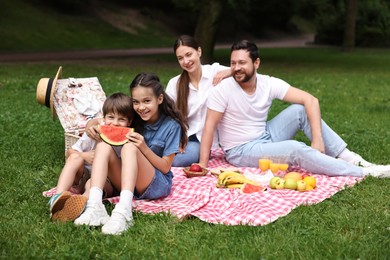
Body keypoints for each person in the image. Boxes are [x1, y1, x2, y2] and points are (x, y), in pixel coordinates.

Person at [199, 40, 390, 178]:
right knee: (295, 149)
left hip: (265, 135)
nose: (236, 68)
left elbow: (310, 100)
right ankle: (363, 172)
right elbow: (209, 127)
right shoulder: (223, 90)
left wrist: (317, 139)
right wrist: (202, 164)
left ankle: (350, 158)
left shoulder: (268, 83)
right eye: (233, 63)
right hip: (241, 150)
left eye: (242, 63)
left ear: (256, 63)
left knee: (300, 109)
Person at [74, 72, 187, 235]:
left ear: (159, 99)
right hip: (129, 184)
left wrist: (144, 147)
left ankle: (125, 212)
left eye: (147, 101)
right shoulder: (135, 117)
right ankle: (95, 206)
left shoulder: (172, 126)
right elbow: (103, 120)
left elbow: (165, 167)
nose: (141, 107)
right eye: (136, 102)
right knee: (104, 146)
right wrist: (90, 125)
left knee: (129, 147)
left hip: (156, 184)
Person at [48, 92, 134, 222]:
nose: (115, 123)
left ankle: (81, 203)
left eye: (121, 119)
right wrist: (84, 155)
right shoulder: (92, 133)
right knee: (74, 158)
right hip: (83, 173)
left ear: (129, 122)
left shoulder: (127, 141)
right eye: (111, 117)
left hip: (106, 181)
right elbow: (69, 152)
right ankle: (57, 198)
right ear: (103, 118)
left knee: (91, 184)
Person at [166, 35, 231, 167]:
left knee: (180, 160)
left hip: (206, 139)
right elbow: (168, 117)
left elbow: (244, 70)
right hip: (185, 137)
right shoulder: (175, 84)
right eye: (180, 58)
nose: (186, 61)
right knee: (175, 158)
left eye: (189, 54)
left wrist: (228, 72)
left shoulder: (215, 71)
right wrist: (176, 141)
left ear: (199, 51)